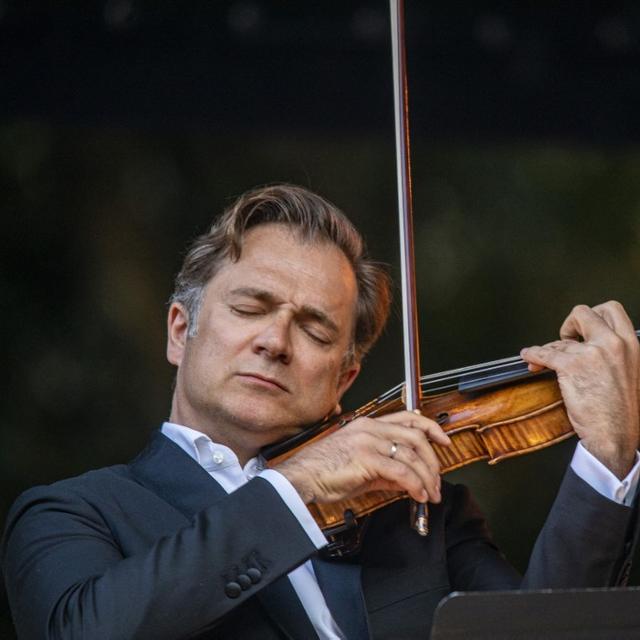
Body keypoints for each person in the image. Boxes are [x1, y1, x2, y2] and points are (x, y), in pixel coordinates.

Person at [2, 184, 639, 640]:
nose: (274, 342)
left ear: (346, 379)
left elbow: (551, 629)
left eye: (313, 329)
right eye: (251, 307)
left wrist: (607, 457)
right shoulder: (72, 514)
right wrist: (297, 487)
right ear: (178, 331)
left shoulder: (417, 515)